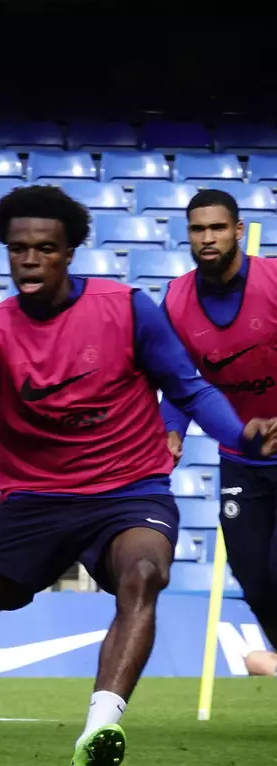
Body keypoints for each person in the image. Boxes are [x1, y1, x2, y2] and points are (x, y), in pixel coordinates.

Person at [0, 185, 277, 766]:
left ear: (71, 251)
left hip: (129, 491)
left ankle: (98, 731)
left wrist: (239, 432)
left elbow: (187, 388)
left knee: (144, 573)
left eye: (45, 248)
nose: (29, 259)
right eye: (18, 249)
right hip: (36, 503)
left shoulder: (128, 307)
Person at [162, 189, 277, 652]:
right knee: (255, 582)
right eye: (197, 229)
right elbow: (177, 380)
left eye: (217, 227)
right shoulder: (176, 299)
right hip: (241, 461)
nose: (207, 238)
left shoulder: (273, 281)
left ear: (238, 230)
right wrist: (170, 431)